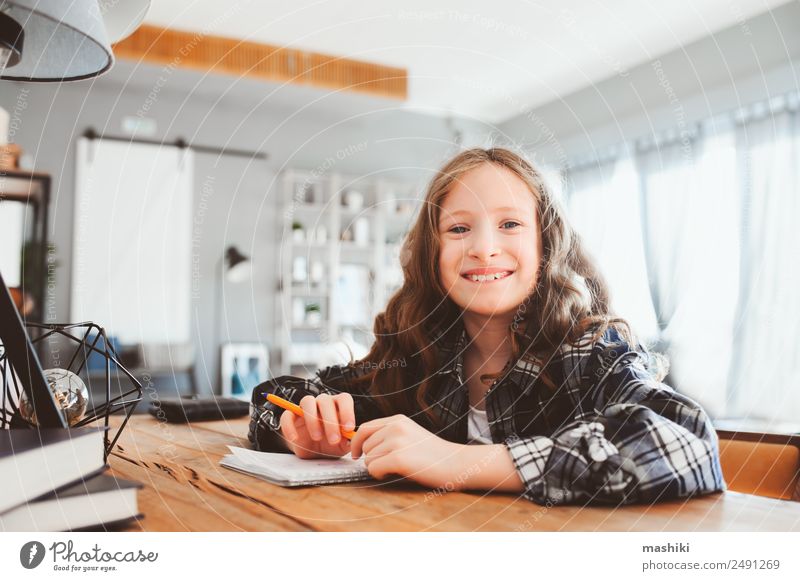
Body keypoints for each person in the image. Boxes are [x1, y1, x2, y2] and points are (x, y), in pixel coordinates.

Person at [249, 147, 725, 505]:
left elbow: (689, 442)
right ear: (433, 254)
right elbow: (274, 397)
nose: (483, 247)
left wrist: (454, 461)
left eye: (510, 225)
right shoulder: (414, 356)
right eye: (458, 229)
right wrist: (300, 427)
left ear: (546, 244)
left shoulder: (592, 351)